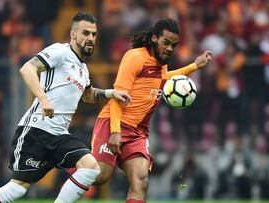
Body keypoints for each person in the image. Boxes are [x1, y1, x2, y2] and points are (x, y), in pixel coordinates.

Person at [0, 12, 131, 203]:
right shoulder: (60, 51)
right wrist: (43, 99)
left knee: (90, 167)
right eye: (85, 33)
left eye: (94, 34)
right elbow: (27, 68)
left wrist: (111, 93)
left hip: (59, 135)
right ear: (73, 34)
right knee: (18, 189)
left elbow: (87, 95)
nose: (90, 38)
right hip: (36, 131)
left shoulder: (83, 69)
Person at [91, 18, 212, 203]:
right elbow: (118, 96)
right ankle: (67, 159)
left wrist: (194, 66)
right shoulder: (135, 57)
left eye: (174, 45)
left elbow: (164, 79)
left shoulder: (160, 63)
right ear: (155, 38)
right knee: (100, 177)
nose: (170, 48)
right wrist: (115, 132)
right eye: (166, 43)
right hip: (113, 122)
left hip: (137, 132)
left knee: (141, 179)